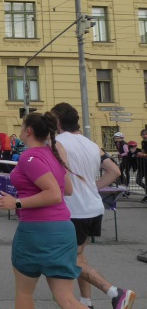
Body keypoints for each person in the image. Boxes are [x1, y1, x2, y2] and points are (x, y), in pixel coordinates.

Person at [0, 112, 88, 309]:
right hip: (63, 230)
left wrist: (17, 203)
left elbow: (54, 193)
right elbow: (67, 190)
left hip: (36, 232)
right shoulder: (52, 154)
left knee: (24, 292)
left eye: (22, 127)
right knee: (67, 299)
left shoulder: (29, 156)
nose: (20, 131)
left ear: (28, 131)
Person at [50, 103, 135, 309]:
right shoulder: (92, 144)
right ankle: (86, 302)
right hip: (93, 208)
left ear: (58, 122)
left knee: (68, 259)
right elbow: (114, 170)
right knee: (79, 255)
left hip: (73, 209)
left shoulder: (57, 143)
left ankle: (115, 293)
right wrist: (92, 187)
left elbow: (55, 175)